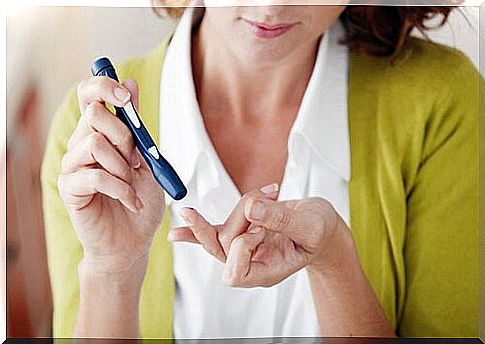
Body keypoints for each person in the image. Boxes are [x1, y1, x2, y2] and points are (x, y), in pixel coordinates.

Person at [41, 0, 480, 339]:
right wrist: (112, 269)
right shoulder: (91, 132)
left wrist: (334, 262)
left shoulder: (443, 104)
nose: (270, 7)